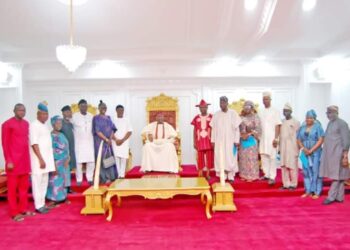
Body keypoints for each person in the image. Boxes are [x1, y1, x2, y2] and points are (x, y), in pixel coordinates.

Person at [1, 104, 35, 221]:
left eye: (24, 110)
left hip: (24, 162)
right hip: (13, 163)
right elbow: (5, 144)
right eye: (19, 110)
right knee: (12, 190)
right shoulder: (7, 124)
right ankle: (14, 213)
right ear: (14, 111)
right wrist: (8, 160)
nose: (22, 112)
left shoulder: (26, 124)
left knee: (24, 188)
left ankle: (23, 209)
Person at [320, 106, 350, 205]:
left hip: (339, 154)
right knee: (340, 176)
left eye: (330, 112)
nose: (328, 115)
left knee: (337, 176)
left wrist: (345, 155)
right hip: (331, 154)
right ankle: (340, 197)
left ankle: (330, 197)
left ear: (336, 112)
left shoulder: (342, 124)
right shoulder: (330, 123)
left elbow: (346, 140)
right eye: (327, 113)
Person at [29, 101, 55, 214]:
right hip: (38, 161)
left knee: (44, 182)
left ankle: (42, 203)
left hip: (46, 160)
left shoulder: (45, 125)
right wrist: (40, 159)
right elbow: (34, 143)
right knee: (37, 182)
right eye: (43, 114)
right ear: (37, 114)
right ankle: (38, 205)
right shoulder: (34, 125)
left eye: (46, 114)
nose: (45, 116)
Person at [210, 96, 241, 183]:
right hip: (219, 140)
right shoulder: (216, 115)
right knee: (220, 157)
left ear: (227, 103)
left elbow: (237, 129)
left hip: (231, 141)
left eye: (223, 102)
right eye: (220, 103)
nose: (222, 104)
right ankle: (222, 176)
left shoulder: (233, 113)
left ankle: (230, 176)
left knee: (230, 157)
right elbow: (214, 129)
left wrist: (237, 140)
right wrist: (212, 141)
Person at [297, 110, 324, 199]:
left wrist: (311, 150)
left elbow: (321, 140)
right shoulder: (302, 127)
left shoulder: (318, 127)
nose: (309, 119)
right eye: (307, 117)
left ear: (314, 118)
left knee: (316, 172)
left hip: (316, 153)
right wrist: (304, 149)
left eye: (311, 118)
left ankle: (316, 191)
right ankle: (308, 190)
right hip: (304, 154)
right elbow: (298, 140)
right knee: (305, 172)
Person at [259, 92, 282, 185]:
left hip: (272, 137)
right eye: (264, 99)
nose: (265, 101)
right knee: (263, 155)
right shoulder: (260, 111)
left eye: (267, 99)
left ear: (270, 100)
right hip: (262, 137)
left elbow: (278, 125)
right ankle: (266, 174)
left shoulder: (275, 111)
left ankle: (272, 177)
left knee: (272, 157)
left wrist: (276, 138)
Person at [46, 116, 70, 206]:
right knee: (55, 181)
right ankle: (53, 200)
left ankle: (62, 198)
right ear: (53, 124)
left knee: (63, 181)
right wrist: (53, 165)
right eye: (57, 123)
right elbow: (50, 151)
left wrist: (68, 158)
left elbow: (66, 148)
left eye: (61, 123)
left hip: (65, 162)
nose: (60, 125)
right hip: (56, 162)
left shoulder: (62, 134)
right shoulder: (51, 136)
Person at [92, 101, 117, 183]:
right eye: (102, 107)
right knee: (101, 158)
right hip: (100, 142)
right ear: (98, 108)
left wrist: (110, 139)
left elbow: (113, 129)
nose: (104, 108)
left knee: (109, 158)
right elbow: (97, 131)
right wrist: (106, 139)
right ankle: (104, 178)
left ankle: (111, 176)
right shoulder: (96, 118)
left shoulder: (109, 117)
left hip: (108, 142)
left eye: (105, 107)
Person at [72, 99, 95, 186]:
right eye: (82, 106)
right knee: (79, 162)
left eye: (85, 106)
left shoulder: (91, 116)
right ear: (79, 107)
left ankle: (90, 178)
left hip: (89, 142)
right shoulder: (74, 116)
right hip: (79, 143)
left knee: (91, 161)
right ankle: (79, 179)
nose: (84, 107)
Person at [238, 100, 261, 182]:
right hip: (243, 140)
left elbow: (258, 130)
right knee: (243, 158)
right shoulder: (241, 117)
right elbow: (238, 129)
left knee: (251, 158)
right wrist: (243, 134)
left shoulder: (256, 117)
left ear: (252, 108)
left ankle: (252, 176)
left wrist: (251, 132)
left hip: (252, 140)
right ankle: (244, 175)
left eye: (248, 107)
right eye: (245, 107)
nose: (246, 109)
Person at [279, 103, 300, 190]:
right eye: (284, 111)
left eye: (287, 111)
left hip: (292, 147)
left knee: (292, 166)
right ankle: (286, 184)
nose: (285, 113)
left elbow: (299, 136)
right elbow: (280, 135)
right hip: (283, 146)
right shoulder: (282, 121)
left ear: (291, 111)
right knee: (284, 166)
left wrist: (298, 148)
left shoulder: (296, 122)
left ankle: (293, 184)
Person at [191, 99, 214, 179]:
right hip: (199, 141)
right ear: (199, 108)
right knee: (200, 158)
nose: (203, 109)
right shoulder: (196, 118)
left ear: (207, 107)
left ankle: (208, 173)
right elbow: (194, 131)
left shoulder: (211, 117)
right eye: (201, 107)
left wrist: (213, 141)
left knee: (209, 157)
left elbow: (214, 129)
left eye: (204, 107)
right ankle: (200, 173)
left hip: (209, 140)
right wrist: (194, 141)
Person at [112, 105, 132, 179]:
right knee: (116, 158)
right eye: (119, 110)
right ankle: (117, 175)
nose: (121, 112)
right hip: (115, 141)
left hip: (124, 142)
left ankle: (122, 175)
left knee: (123, 158)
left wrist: (122, 140)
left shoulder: (127, 120)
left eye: (122, 110)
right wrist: (116, 139)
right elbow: (110, 131)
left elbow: (130, 131)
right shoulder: (113, 120)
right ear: (116, 111)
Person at [60, 105, 75, 193]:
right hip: (63, 151)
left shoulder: (70, 123)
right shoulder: (60, 123)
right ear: (63, 113)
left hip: (71, 150)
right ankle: (64, 189)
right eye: (66, 112)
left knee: (68, 170)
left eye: (69, 112)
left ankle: (68, 188)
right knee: (64, 170)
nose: (68, 113)